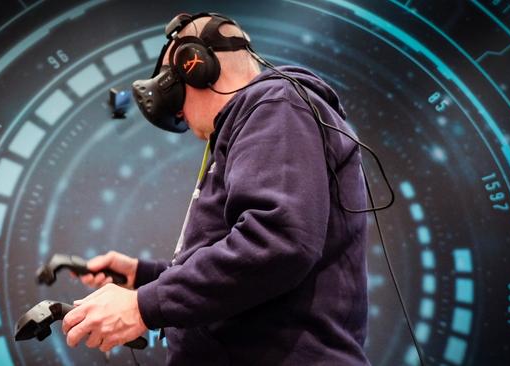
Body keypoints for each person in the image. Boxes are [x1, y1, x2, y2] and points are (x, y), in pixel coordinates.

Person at [62, 12, 370, 365]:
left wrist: (144, 306)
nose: (179, 114)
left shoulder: (273, 105)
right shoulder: (261, 118)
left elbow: (278, 242)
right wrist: (144, 276)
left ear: (195, 67)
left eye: (171, 85)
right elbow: (246, 262)